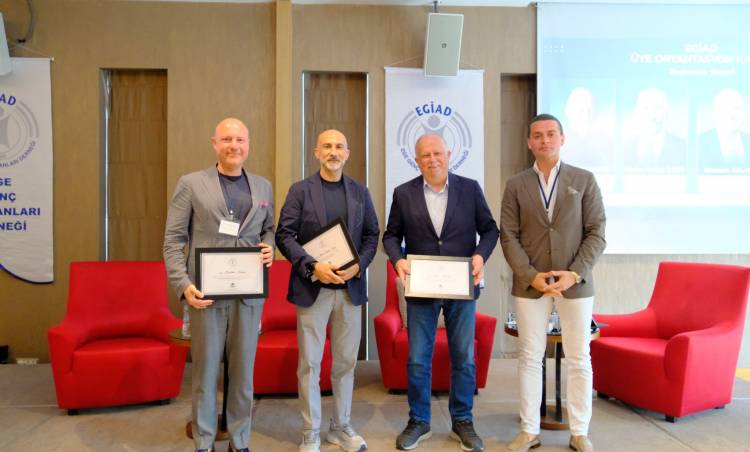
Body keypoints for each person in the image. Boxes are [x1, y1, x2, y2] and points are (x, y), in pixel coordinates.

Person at [163, 118, 275, 452]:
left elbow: (269, 229)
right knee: (206, 373)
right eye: (226, 139)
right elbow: (173, 240)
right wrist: (183, 284)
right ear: (214, 143)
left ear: (248, 144)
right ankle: (204, 441)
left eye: (240, 140)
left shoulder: (263, 186)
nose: (234, 146)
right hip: (205, 295)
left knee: (242, 373)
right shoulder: (191, 183)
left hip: (248, 295)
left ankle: (239, 440)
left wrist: (270, 246)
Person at [382, 134, 499, 452]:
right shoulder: (403, 193)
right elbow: (391, 236)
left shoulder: (470, 188)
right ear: (416, 160)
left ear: (449, 154)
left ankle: (462, 420)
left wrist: (480, 256)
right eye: (425, 155)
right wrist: (398, 260)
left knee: (464, 358)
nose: (432, 159)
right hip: (421, 287)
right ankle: (418, 421)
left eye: (437, 153)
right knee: (418, 360)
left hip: (461, 286)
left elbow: (490, 229)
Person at [500, 114, 606, 452]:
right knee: (530, 357)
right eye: (537, 135)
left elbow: (597, 233)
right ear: (529, 142)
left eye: (550, 134)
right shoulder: (516, 184)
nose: (544, 140)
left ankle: (579, 432)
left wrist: (573, 273)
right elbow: (508, 236)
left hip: (575, 282)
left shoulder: (584, 180)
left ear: (562, 138)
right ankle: (529, 431)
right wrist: (531, 275)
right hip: (531, 283)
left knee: (579, 356)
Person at [276, 129, 379, 452]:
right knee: (310, 363)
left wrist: (359, 265)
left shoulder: (360, 191)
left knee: (345, 363)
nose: (333, 152)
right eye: (327, 146)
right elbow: (284, 235)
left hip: (350, 290)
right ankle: (310, 432)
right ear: (316, 153)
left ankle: (340, 426)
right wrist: (312, 265)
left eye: (339, 147)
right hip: (313, 289)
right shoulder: (300, 191)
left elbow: (372, 234)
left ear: (347, 153)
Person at [624, 87, 686, 170]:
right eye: (646, 108)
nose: (652, 116)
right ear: (637, 112)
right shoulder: (624, 147)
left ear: (666, 113)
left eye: (658, 108)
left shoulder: (683, 148)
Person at [699, 88, 750, 171]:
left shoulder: (748, 140)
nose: (733, 114)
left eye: (737, 108)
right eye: (727, 108)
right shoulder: (700, 142)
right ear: (717, 111)